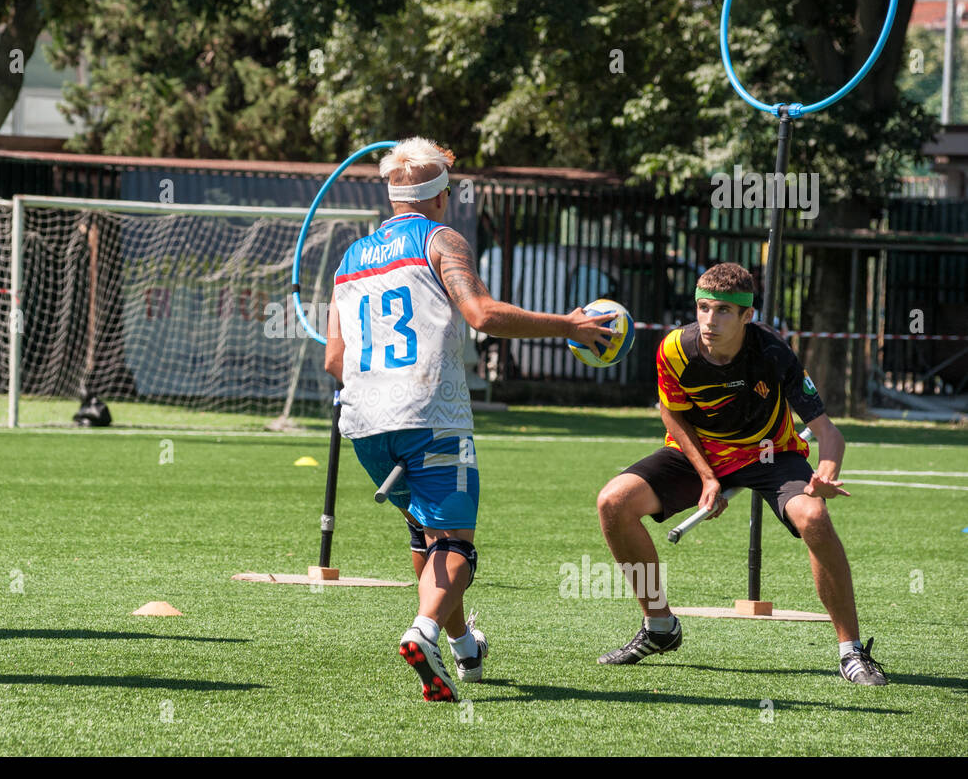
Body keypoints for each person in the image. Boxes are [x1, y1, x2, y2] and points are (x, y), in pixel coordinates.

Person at [324, 137, 613, 701]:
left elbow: (335, 360)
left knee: (427, 533)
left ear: (392, 196)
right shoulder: (441, 238)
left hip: (364, 423)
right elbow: (482, 313)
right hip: (431, 414)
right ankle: (423, 630)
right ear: (442, 196)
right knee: (458, 545)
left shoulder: (349, 258)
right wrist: (568, 326)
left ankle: (463, 649)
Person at [594, 261, 887, 685]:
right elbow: (672, 415)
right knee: (612, 502)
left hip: (770, 454)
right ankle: (659, 627)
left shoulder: (772, 351)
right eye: (704, 308)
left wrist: (825, 474)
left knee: (815, 518)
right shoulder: (674, 350)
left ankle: (851, 652)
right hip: (700, 455)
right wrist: (708, 476)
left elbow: (829, 432)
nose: (710, 321)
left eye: (724, 311)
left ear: (747, 316)